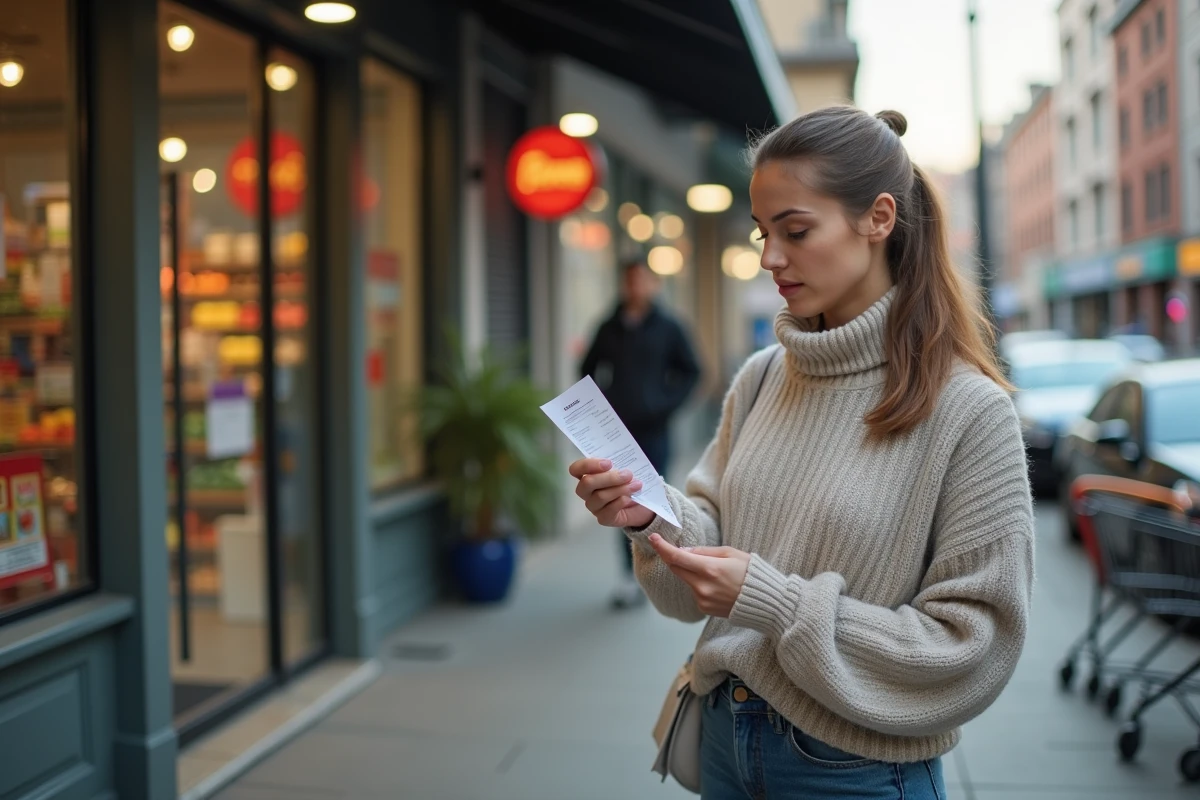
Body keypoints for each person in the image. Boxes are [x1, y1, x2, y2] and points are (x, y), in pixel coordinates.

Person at [568, 107, 1034, 798]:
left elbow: (973, 650)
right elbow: (694, 576)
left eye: (795, 230)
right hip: (723, 739)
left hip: (857, 773)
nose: (769, 258)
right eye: (763, 233)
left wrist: (775, 602)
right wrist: (646, 512)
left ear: (878, 218)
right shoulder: (762, 377)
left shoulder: (970, 412)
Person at [580, 258, 701, 609]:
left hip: (654, 430)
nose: (634, 287)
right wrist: (602, 408)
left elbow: (692, 372)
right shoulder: (608, 327)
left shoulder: (669, 327)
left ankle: (660, 569)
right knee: (621, 499)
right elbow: (586, 370)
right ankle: (629, 576)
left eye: (641, 281)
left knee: (651, 499)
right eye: (629, 281)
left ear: (653, 285)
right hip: (615, 432)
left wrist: (662, 404)